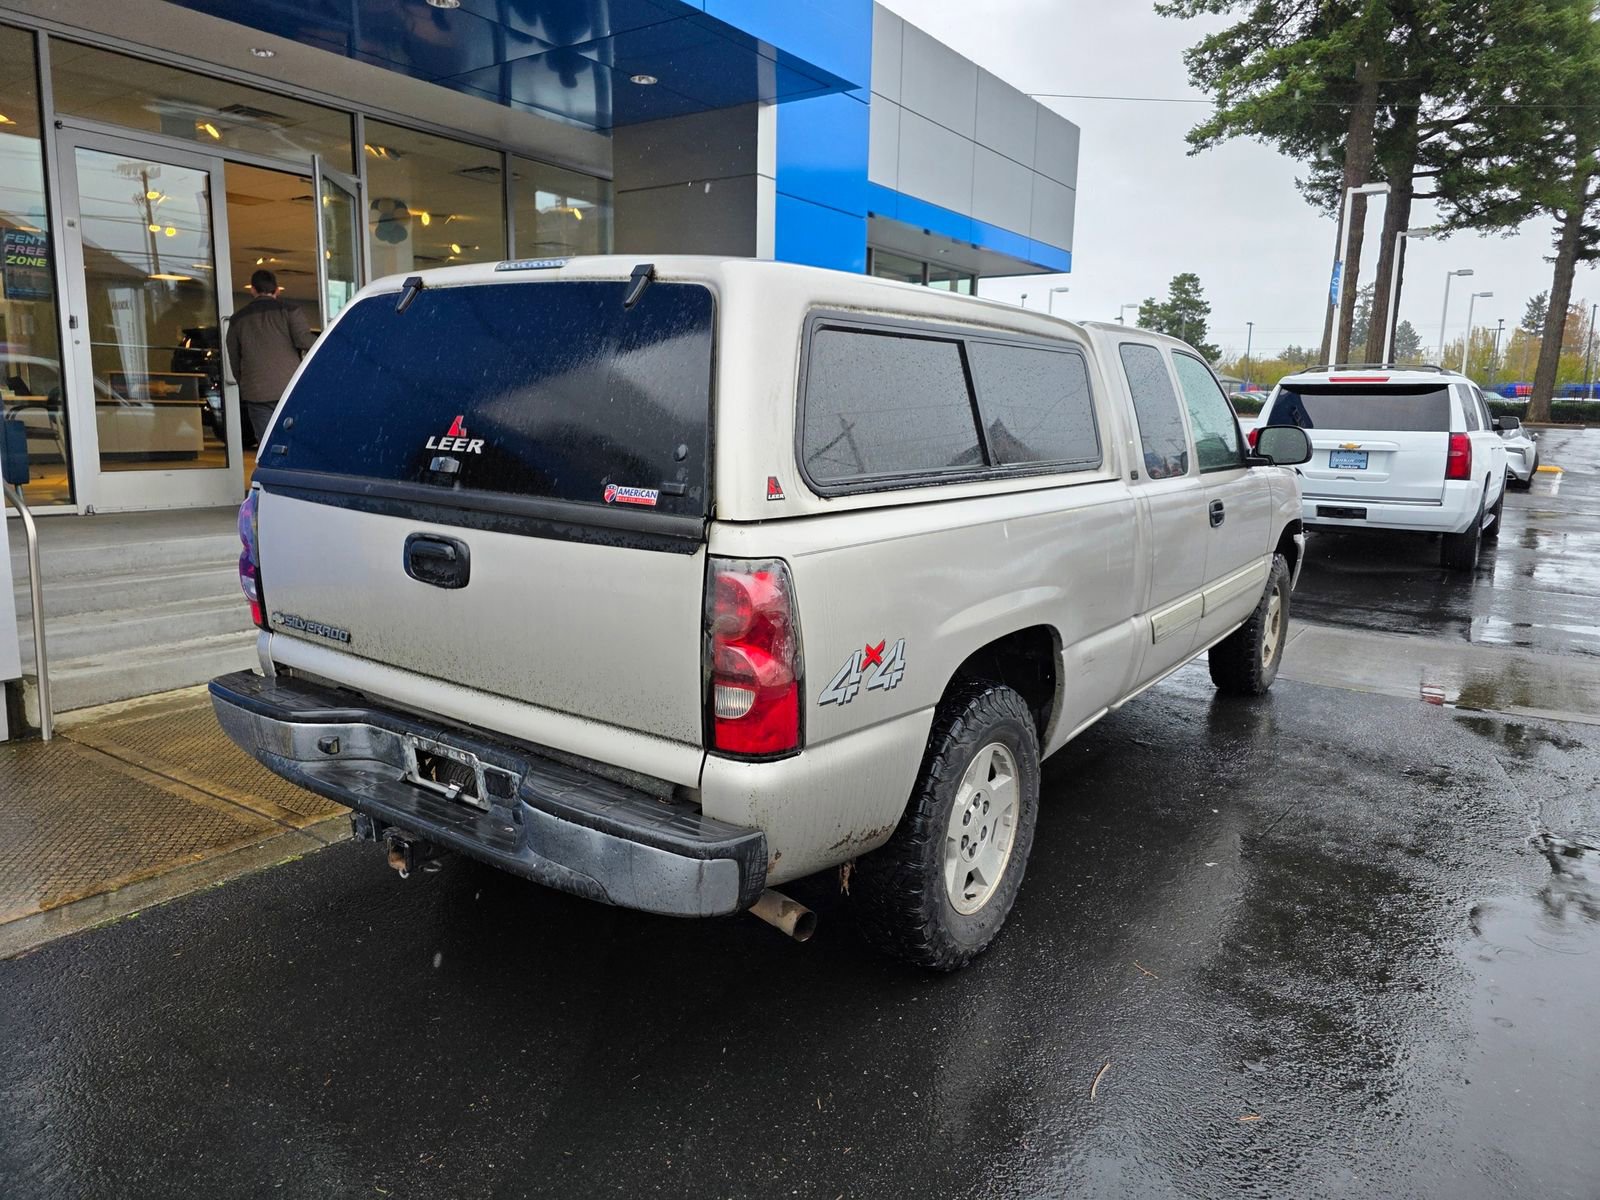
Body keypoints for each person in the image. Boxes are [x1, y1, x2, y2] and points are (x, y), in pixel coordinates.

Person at [225, 269, 315, 448]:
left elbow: (234, 358)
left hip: (257, 391)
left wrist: (244, 383)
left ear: (252, 290)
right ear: (277, 290)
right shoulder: (290, 311)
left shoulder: (237, 320)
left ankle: (271, 475)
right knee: (295, 442)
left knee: (268, 444)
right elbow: (306, 342)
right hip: (289, 388)